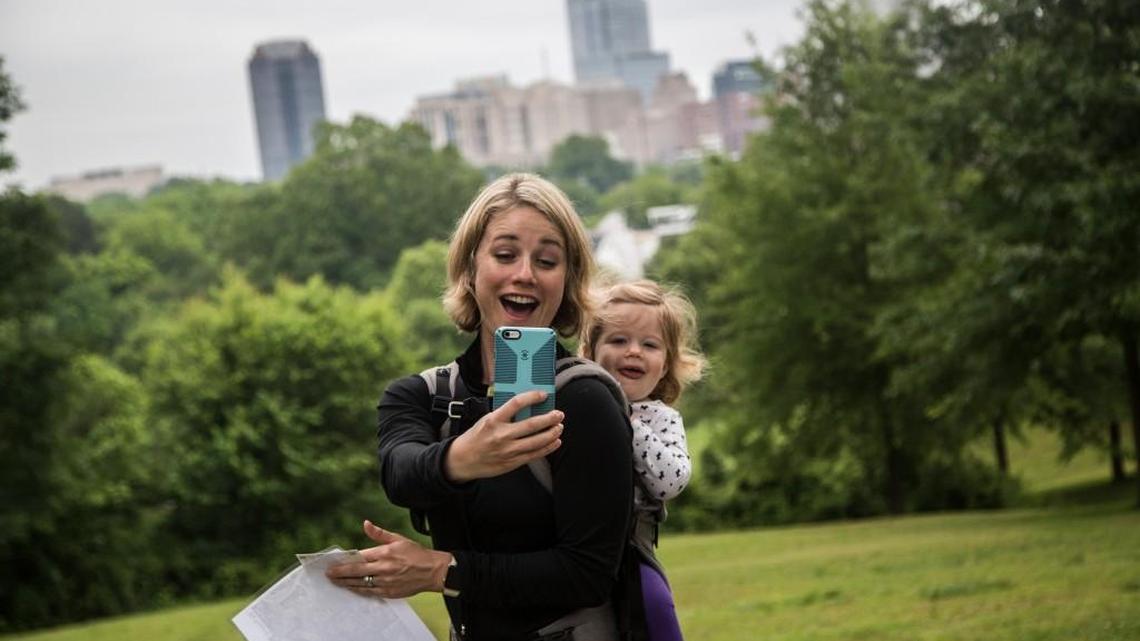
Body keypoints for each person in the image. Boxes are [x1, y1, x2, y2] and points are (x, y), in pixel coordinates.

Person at [326, 173, 635, 641]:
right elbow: (400, 474)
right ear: (470, 269)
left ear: (567, 280)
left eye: (547, 260)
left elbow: (586, 573)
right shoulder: (420, 396)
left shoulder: (585, 400)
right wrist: (461, 459)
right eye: (505, 254)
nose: (525, 274)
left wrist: (440, 570)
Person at [581, 279, 707, 641]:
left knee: (654, 606)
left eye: (649, 344)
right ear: (590, 351)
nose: (633, 351)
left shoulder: (660, 418)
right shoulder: (577, 406)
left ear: (666, 363)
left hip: (631, 552)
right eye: (619, 340)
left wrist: (631, 428)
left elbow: (671, 481)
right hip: (574, 547)